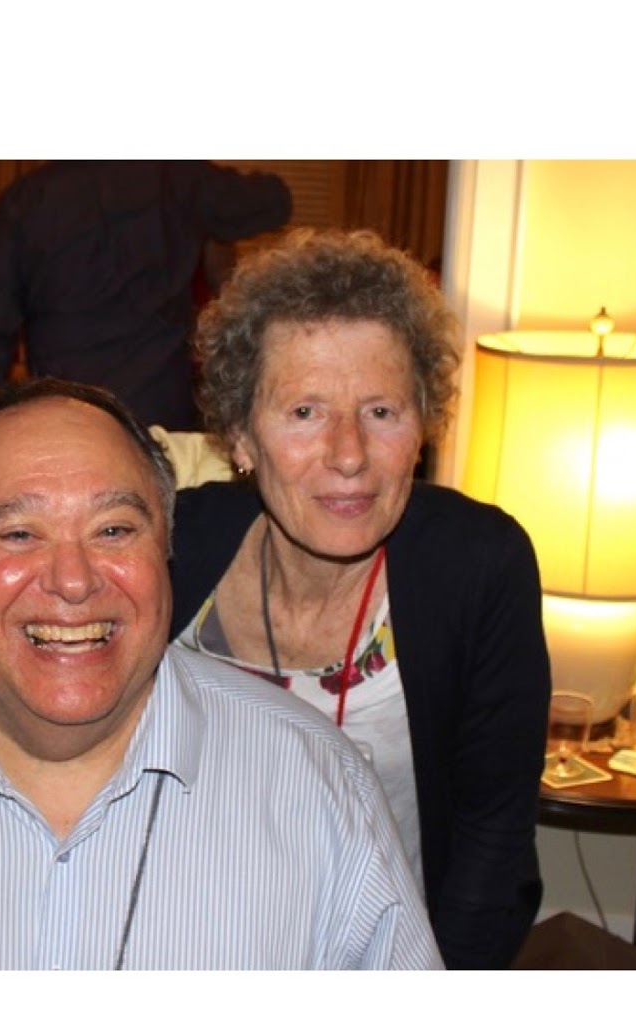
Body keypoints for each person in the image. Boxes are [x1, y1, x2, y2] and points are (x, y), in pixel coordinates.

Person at [0, 378, 441, 970]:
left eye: (114, 530)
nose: (72, 580)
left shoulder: (319, 787)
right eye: (17, 534)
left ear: (166, 551)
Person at [173, 227, 552, 969]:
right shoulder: (176, 545)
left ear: (422, 430)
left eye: (381, 412)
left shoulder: (478, 567)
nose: (349, 455)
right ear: (241, 437)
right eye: (305, 412)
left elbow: (492, 846)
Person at [0, 160, 291, 432]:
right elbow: (275, 202)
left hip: (64, 414)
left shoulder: (24, 200)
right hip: (159, 416)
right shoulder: (178, 177)